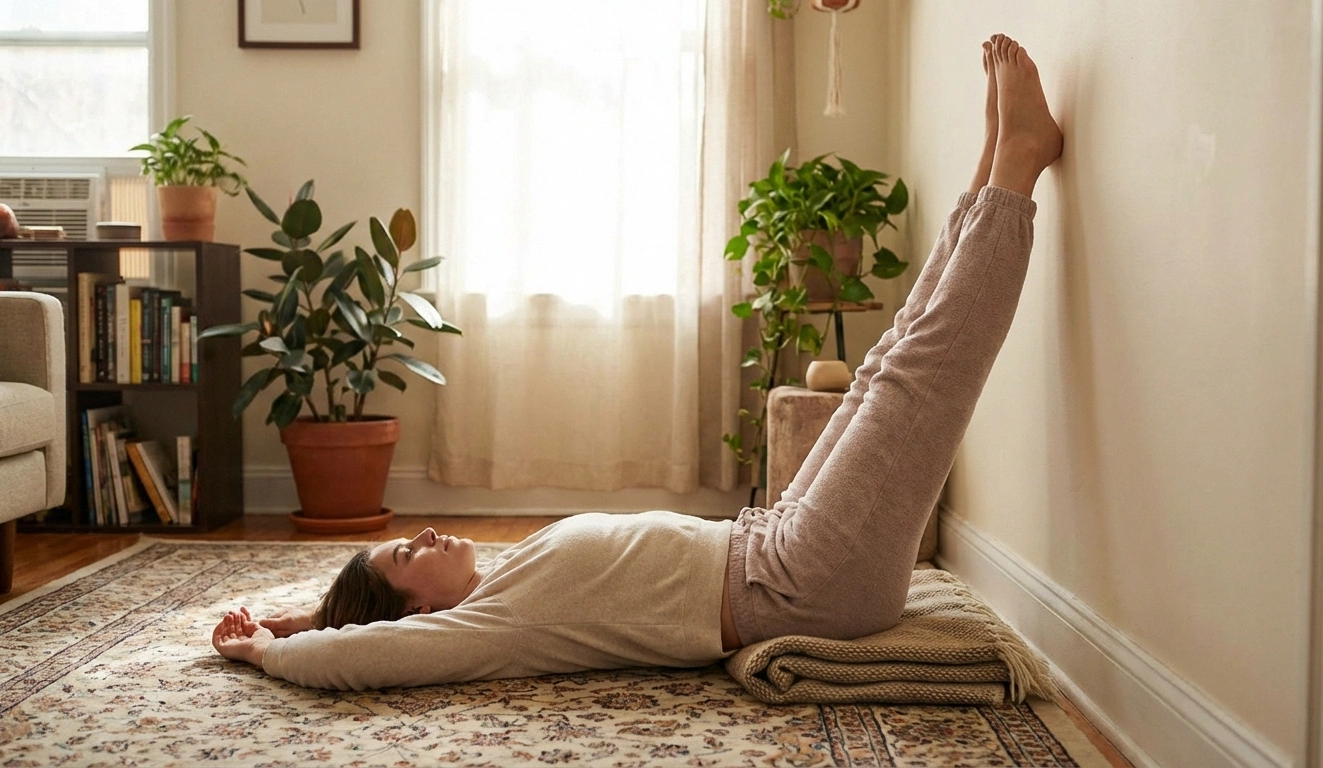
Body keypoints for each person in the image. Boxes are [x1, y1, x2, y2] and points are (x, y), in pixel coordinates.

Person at [211, 33, 1063, 691]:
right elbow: (368, 660)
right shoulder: (489, 628)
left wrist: (298, 618)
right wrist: (264, 654)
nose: (421, 533)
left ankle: (994, 167)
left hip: (773, 546)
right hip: (807, 585)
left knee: (882, 368)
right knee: (916, 382)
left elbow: (355, 634)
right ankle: (1018, 162)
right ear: (419, 611)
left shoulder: (504, 582)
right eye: (407, 557)